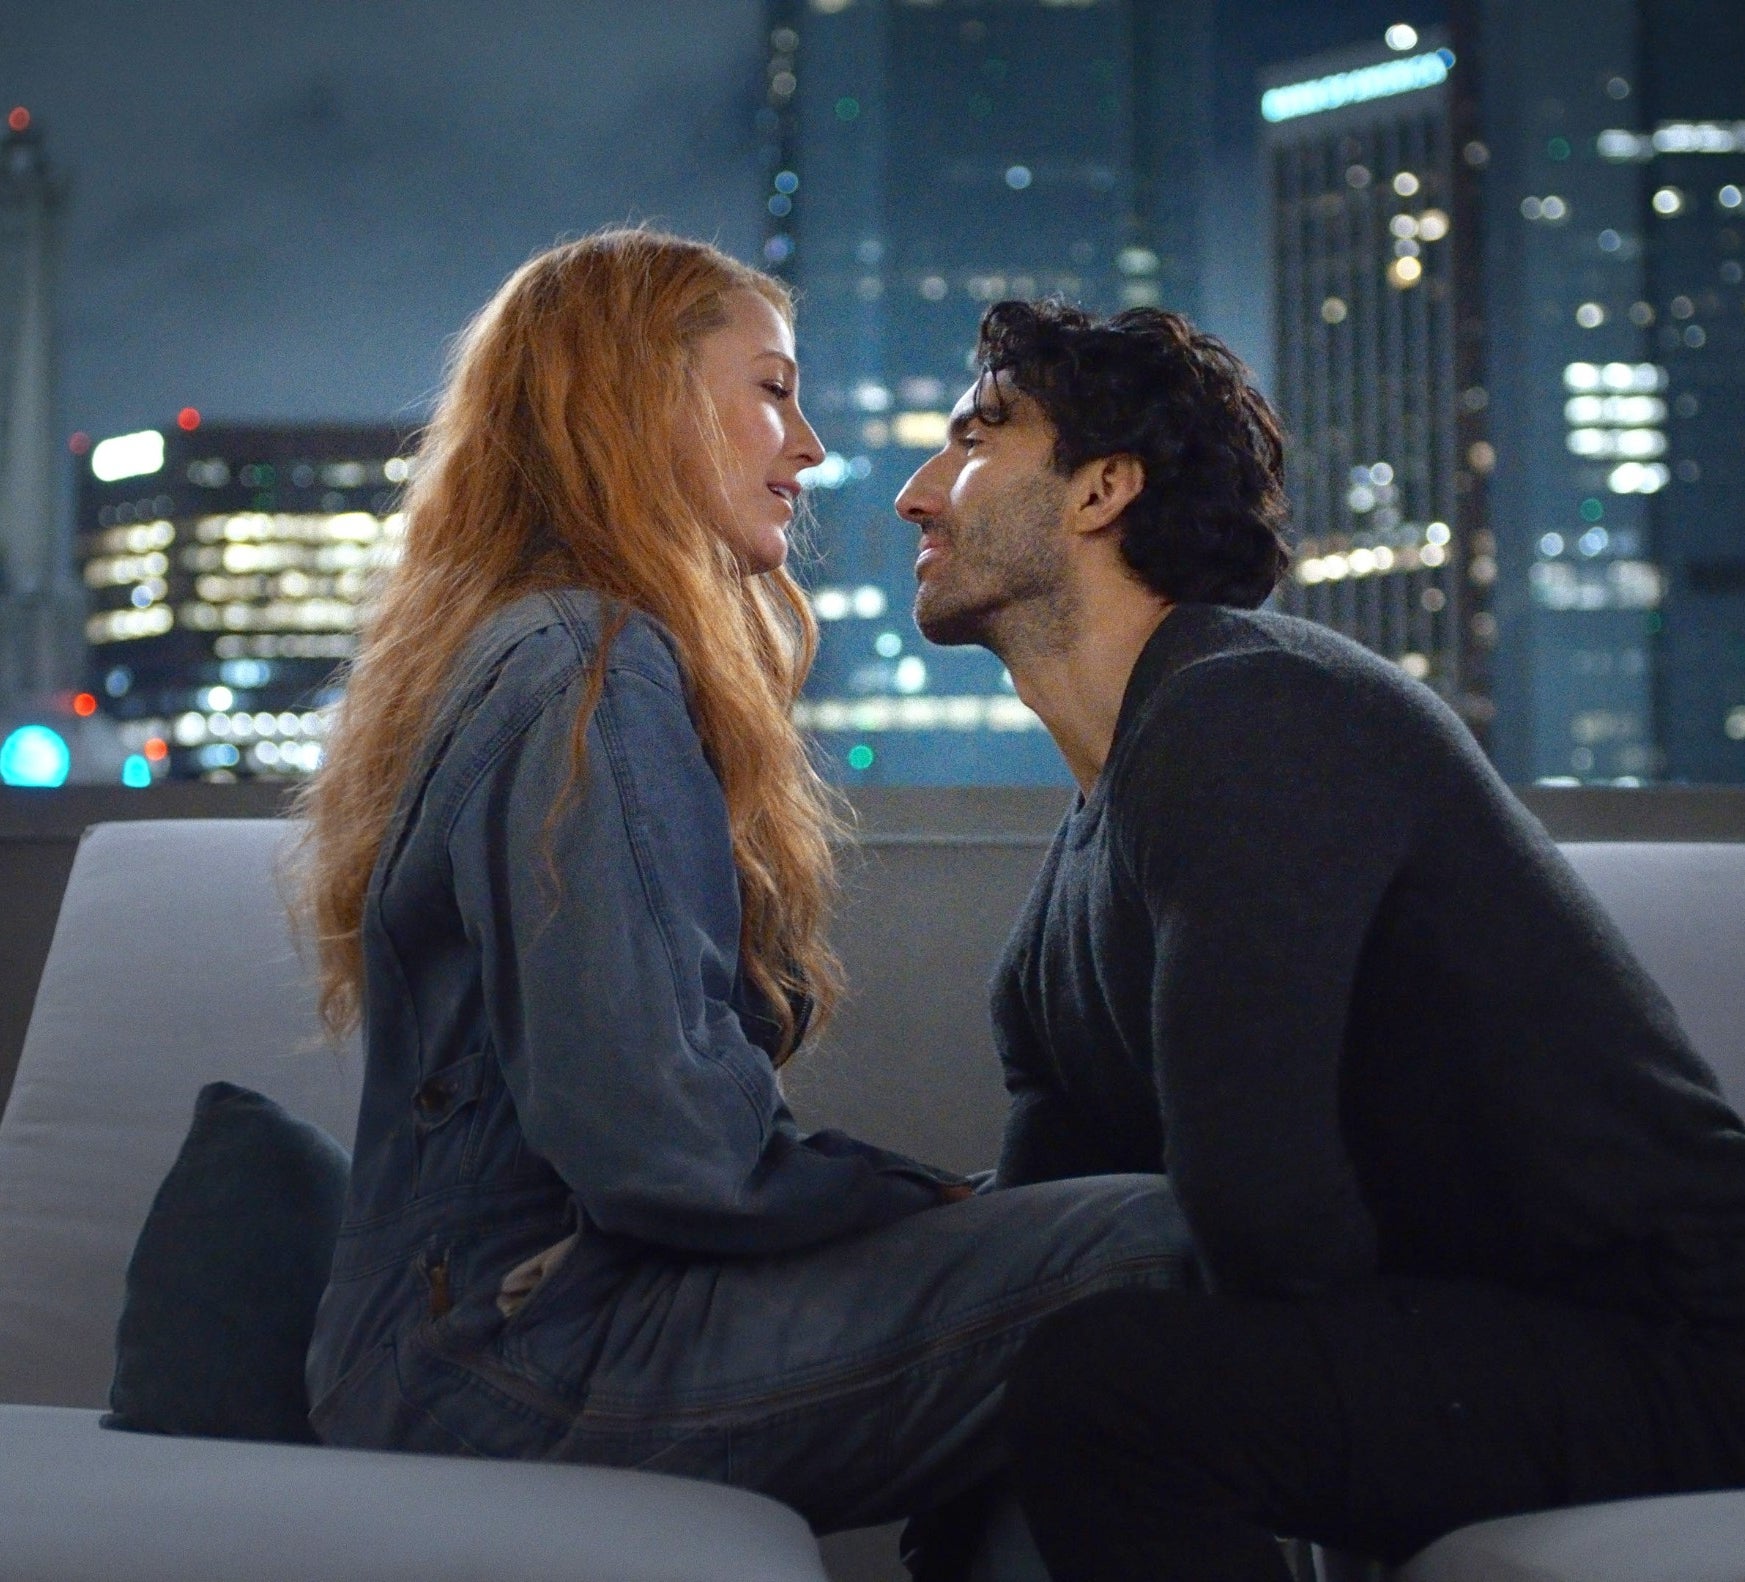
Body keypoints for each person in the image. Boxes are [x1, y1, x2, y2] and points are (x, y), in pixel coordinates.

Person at [292, 231, 1193, 1551]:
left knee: (1059, 1319)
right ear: (634, 401)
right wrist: (932, 1205)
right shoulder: (587, 664)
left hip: (470, 1343)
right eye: (772, 390)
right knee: (1159, 1246)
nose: (810, 448)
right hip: (510, 1360)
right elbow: (663, 1145)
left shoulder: (541, 647)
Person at [892, 297, 1745, 1582]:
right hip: (1488, 1337)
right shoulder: (1067, 898)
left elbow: (1263, 1204)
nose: (914, 491)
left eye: (973, 438)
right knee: (1029, 1400)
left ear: (1101, 489)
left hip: (1677, 1343)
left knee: (1112, 1390)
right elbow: (1028, 1257)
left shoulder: (1252, 712)